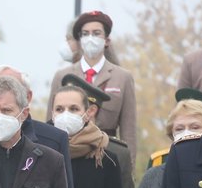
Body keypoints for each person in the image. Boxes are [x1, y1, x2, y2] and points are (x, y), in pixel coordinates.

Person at [48, 11, 138, 163]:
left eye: (96, 33)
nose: (90, 38)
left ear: (107, 40)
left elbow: (129, 131)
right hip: (68, 153)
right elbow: (50, 123)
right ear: (80, 40)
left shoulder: (122, 77)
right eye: (85, 33)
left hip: (107, 152)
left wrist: (128, 167)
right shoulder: (62, 76)